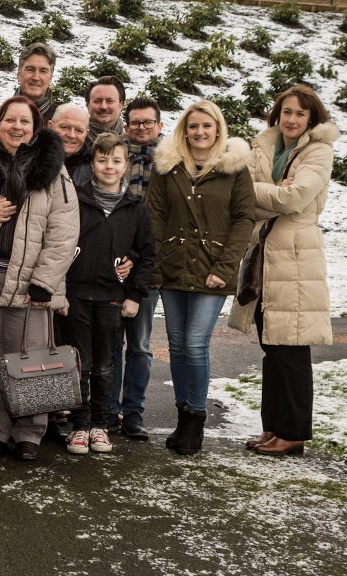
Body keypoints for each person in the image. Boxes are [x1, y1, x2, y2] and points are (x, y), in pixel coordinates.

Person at [0, 96, 78, 462]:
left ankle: (29, 432)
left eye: (24, 122)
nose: (16, 127)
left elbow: (65, 229)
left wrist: (45, 280)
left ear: (35, 128)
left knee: (31, 363)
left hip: (31, 286)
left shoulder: (53, 171)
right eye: (9, 120)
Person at [230, 85, 337, 457]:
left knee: (291, 349)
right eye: (287, 112)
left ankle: (293, 432)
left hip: (294, 258)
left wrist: (265, 192)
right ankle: (273, 426)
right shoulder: (265, 148)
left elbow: (295, 198)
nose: (292, 119)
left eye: (300, 114)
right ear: (278, 114)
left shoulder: (319, 152)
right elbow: (241, 195)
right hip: (264, 256)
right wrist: (273, 190)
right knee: (271, 347)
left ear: (312, 119)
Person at [147, 99, 254, 456]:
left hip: (213, 269)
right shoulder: (168, 167)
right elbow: (155, 217)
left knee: (195, 343)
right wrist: (157, 267)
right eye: (193, 126)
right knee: (176, 346)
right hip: (174, 267)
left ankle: (196, 416)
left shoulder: (234, 169)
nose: (199, 132)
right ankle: (182, 415)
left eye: (206, 126)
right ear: (184, 130)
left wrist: (224, 269)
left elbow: (243, 220)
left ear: (218, 129)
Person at [59, 133, 154, 455]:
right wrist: (60, 291)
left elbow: (145, 253)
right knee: (79, 365)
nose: (109, 166)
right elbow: (60, 245)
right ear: (92, 162)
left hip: (112, 298)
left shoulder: (135, 208)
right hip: (76, 295)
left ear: (126, 165)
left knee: (104, 365)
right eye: (102, 160)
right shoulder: (77, 199)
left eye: (116, 160)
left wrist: (135, 294)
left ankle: (101, 424)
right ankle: (79, 427)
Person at [111, 95, 165, 440]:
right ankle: (109, 409)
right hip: (116, 263)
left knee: (141, 345)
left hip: (150, 266)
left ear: (160, 125)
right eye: (135, 122)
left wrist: (143, 258)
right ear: (126, 124)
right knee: (111, 342)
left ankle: (133, 411)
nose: (141, 127)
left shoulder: (172, 163)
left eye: (148, 122)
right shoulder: (117, 157)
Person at [0, 42, 59, 134]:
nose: (36, 77)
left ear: (51, 78)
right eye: (30, 69)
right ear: (18, 75)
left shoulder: (63, 122)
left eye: (43, 71)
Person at [49, 103, 93, 189]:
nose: (72, 135)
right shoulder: (29, 157)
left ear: (86, 134)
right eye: (65, 127)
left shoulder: (94, 166)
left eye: (79, 130)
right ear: (50, 126)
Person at [85, 76, 126, 141]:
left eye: (110, 101)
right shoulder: (73, 141)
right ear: (87, 105)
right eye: (97, 101)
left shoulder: (133, 143)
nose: (103, 107)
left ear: (121, 105)